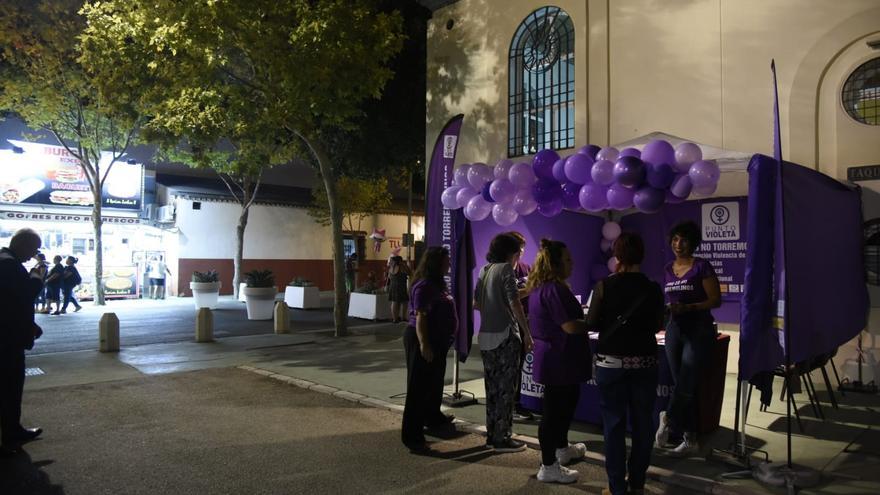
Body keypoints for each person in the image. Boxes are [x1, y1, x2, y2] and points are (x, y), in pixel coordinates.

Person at [586, 233, 665, 495]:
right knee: (643, 425)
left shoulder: (604, 286)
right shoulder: (653, 288)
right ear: (642, 255)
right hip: (645, 362)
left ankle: (617, 488)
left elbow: (593, 323)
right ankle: (638, 485)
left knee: (614, 426)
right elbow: (657, 325)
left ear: (617, 256)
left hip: (611, 364)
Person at [655, 221, 721, 457]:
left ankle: (668, 417)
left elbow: (715, 300)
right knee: (682, 384)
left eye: (683, 239)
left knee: (687, 381)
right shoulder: (667, 268)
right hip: (674, 329)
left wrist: (690, 306)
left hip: (699, 328)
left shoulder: (702, 266)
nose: (678, 244)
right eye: (675, 239)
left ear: (692, 242)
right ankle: (690, 438)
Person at [527, 239, 590, 483]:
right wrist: (595, 321)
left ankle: (561, 449)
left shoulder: (545, 287)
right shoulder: (554, 290)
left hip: (560, 358)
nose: (572, 263)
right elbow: (570, 326)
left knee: (565, 406)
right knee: (553, 413)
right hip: (558, 359)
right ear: (554, 264)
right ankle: (548, 465)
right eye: (567, 259)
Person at [474, 233, 533, 453]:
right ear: (512, 251)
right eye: (518, 249)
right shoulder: (506, 270)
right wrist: (527, 333)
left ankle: (493, 435)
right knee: (507, 389)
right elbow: (515, 302)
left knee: (492, 389)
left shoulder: (485, 270)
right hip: (506, 335)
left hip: (486, 335)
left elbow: (476, 303)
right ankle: (503, 438)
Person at [401, 247, 456, 453]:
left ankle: (432, 417)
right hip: (422, 340)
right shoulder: (424, 286)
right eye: (446, 261)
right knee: (418, 389)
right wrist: (424, 344)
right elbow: (421, 317)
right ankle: (412, 437)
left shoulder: (438, 285)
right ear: (435, 263)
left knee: (434, 382)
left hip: (438, 341)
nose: (449, 264)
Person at [0, 228, 45, 456]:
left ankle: (12, 430)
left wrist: (31, 325)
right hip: (8, 340)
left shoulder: (5, 260)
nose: (34, 254)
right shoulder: (8, 264)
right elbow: (26, 293)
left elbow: (12, 302)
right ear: (24, 245)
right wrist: (37, 276)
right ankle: (11, 435)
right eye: (33, 249)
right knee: (10, 388)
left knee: (9, 388)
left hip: (9, 334)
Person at [506, 231, 534, 421]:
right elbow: (511, 298)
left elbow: (532, 290)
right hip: (507, 325)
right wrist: (529, 289)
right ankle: (509, 406)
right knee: (509, 366)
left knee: (520, 365)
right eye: (519, 247)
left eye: (523, 247)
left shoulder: (526, 268)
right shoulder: (501, 270)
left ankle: (517, 404)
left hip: (526, 321)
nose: (522, 251)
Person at [386, 255, 411, 323]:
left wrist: (387, 286)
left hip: (392, 286)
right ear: (400, 261)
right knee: (404, 302)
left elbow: (389, 277)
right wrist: (408, 263)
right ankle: (403, 317)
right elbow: (409, 272)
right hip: (400, 286)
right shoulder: (401, 266)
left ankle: (395, 318)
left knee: (394, 302)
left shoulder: (391, 267)